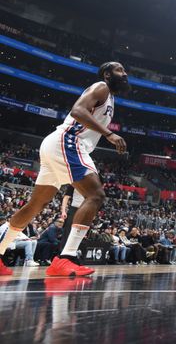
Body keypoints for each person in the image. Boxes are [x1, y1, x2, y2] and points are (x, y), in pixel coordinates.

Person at [0, 62, 129, 276]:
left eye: (125, 71)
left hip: (57, 144)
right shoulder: (101, 87)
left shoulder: (111, 98)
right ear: (107, 74)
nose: (125, 74)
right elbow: (77, 110)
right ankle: (66, 257)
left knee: (35, 206)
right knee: (96, 195)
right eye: (120, 70)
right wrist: (109, 134)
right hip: (67, 141)